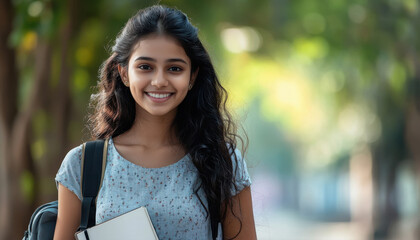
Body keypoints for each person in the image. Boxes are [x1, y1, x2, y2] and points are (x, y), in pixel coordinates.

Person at [53, 5, 256, 240]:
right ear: (124, 73)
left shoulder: (222, 161)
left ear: (192, 76)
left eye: (174, 68)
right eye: (145, 67)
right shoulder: (81, 165)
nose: (159, 81)